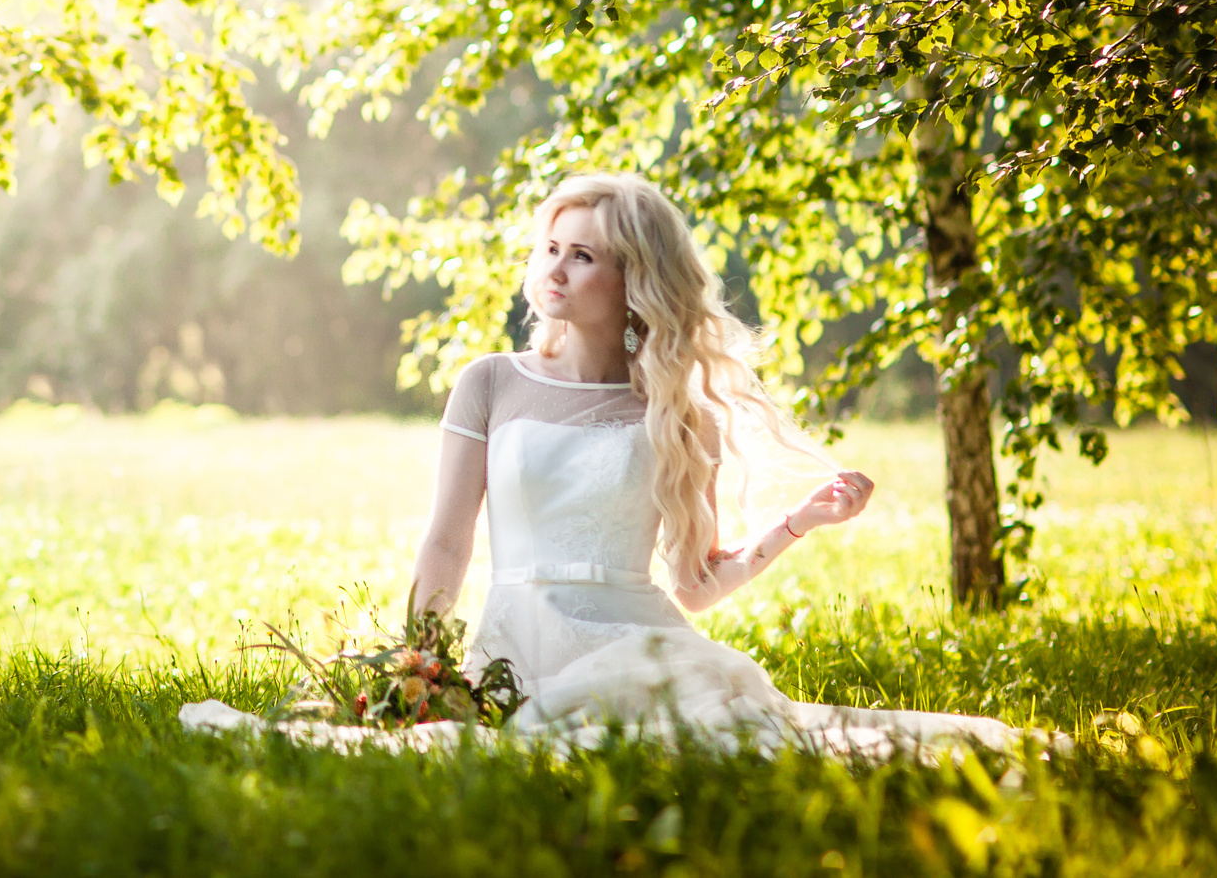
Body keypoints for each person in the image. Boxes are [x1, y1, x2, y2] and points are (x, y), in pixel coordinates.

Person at [401, 170, 1022, 752]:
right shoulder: (489, 382)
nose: (556, 268)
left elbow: (694, 588)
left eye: (583, 256)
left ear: (634, 280)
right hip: (516, 652)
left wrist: (799, 522)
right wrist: (419, 666)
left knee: (727, 748)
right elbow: (448, 544)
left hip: (641, 650)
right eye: (552, 248)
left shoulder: (677, 413)